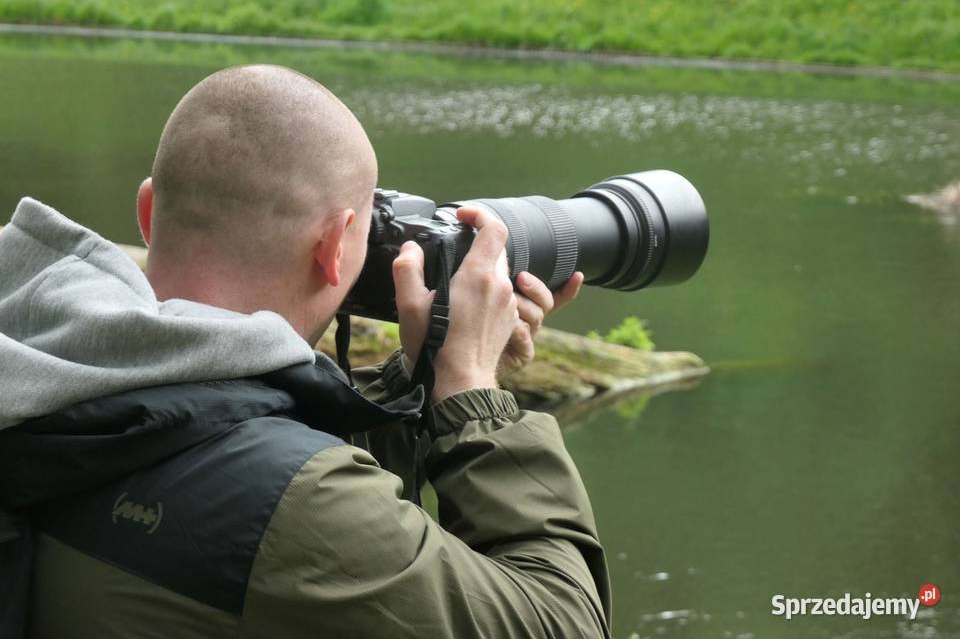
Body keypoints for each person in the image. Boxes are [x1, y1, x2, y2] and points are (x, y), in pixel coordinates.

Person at [0, 65, 611, 638]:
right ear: (335, 248)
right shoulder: (292, 504)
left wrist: (424, 376)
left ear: (148, 211)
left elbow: (214, 434)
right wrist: (474, 395)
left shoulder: (41, 361)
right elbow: (562, 621)